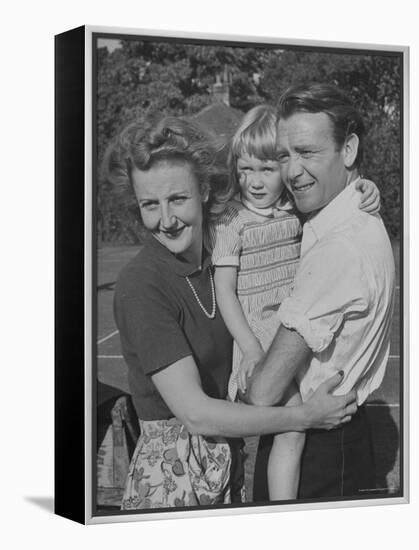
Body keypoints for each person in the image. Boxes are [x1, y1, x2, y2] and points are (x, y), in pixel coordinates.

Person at [102, 115, 358, 510]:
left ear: (204, 189)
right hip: (173, 482)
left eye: (178, 199)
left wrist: (360, 188)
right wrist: (303, 417)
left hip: (226, 469)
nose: (166, 220)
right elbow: (198, 415)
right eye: (149, 205)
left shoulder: (221, 261)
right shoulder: (142, 286)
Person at [209, 104, 380, 501]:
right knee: (290, 428)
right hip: (258, 336)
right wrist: (251, 347)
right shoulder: (230, 222)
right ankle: (282, 513)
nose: (254, 180)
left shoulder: (294, 209)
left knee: (293, 427)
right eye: (245, 169)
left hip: (295, 328)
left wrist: (366, 187)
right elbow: (225, 292)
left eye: (267, 169)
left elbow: (338, 202)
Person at [244, 83, 396, 501]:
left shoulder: (339, 247)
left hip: (318, 449)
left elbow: (263, 393)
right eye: (283, 155)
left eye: (307, 152)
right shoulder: (350, 219)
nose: (292, 171)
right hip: (337, 437)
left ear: (348, 150)